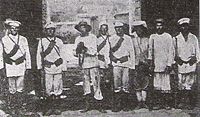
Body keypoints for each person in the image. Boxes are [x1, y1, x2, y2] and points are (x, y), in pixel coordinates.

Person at [1, 19, 31, 116]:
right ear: (9, 29)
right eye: (12, 28)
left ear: (18, 29)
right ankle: (12, 107)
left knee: (20, 87)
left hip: (20, 65)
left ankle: (20, 106)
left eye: (16, 28)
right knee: (11, 88)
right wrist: (1, 67)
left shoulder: (23, 39)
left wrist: (28, 66)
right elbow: (0, 54)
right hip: (10, 66)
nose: (14, 30)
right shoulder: (4, 40)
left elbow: (27, 53)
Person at [74, 21, 105, 113]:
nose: (82, 29)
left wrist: (85, 48)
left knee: (96, 83)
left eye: (84, 27)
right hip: (84, 64)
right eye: (80, 28)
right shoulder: (77, 39)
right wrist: (78, 50)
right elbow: (74, 52)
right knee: (86, 84)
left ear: (87, 28)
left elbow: (94, 51)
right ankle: (87, 105)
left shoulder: (93, 37)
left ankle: (99, 105)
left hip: (93, 63)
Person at [37, 22, 65, 115]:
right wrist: (39, 67)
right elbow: (39, 55)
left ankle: (56, 107)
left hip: (57, 66)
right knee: (48, 87)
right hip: (47, 67)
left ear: (54, 31)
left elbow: (63, 55)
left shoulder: (59, 41)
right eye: (48, 29)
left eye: (52, 29)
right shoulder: (42, 41)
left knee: (57, 87)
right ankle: (49, 108)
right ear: (46, 31)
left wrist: (64, 67)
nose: (50, 31)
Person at [148, 18, 174, 110]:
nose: (159, 27)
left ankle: (166, 103)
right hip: (156, 65)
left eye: (161, 25)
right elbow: (150, 51)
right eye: (157, 25)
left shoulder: (168, 37)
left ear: (164, 26)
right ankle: (158, 103)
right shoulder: (152, 37)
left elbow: (171, 51)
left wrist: (169, 64)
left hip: (165, 64)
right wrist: (151, 63)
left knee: (166, 85)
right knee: (157, 85)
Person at [173, 18, 200, 109]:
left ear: (188, 26)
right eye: (182, 26)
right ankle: (182, 102)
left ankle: (189, 103)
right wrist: (175, 60)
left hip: (191, 64)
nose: (184, 28)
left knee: (190, 83)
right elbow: (173, 52)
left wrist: (197, 60)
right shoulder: (176, 38)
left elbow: (197, 50)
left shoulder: (193, 37)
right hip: (181, 64)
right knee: (180, 83)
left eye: (186, 26)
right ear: (180, 27)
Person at [109, 21, 135, 112]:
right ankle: (117, 105)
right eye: (117, 28)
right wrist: (112, 60)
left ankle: (125, 105)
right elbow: (110, 51)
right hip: (116, 64)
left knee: (126, 84)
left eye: (120, 27)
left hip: (126, 63)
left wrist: (132, 65)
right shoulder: (112, 38)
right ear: (115, 29)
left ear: (123, 28)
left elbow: (132, 52)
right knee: (117, 85)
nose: (119, 29)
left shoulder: (127, 38)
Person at [131, 21, 149, 109]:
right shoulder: (133, 40)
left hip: (145, 64)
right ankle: (139, 102)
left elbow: (150, 52)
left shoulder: (147, 40)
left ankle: (144, 102)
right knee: (136, 84)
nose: (139, 31)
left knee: (145, 83)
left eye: (141, 29)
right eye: (137, 29)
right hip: (135, 64)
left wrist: (148, 62)